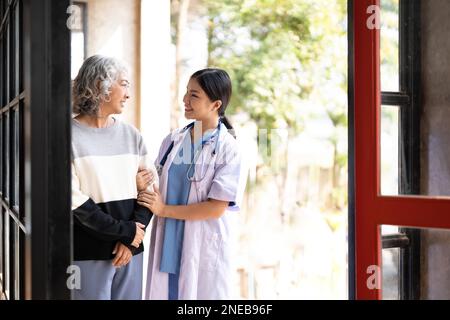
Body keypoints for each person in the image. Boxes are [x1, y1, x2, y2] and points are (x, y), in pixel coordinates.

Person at [137, 68, 245, 300]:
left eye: (194, 95)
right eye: (186, 92)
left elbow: (216, 208)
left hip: (201, 245)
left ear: (216, 104)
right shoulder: (173, 140)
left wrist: (164, 210)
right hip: (168, 242)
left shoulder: (228, 149)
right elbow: (155, 182)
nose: (185, 100)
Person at [71, 55, 158, 300]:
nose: (128, 93)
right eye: (124, 83)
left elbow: (150, 192)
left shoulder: (132, 135)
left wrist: (130, 241)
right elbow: (75, 204)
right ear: (102, 86)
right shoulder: (68, 138)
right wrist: (125, 232)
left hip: (130, 254)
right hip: (87, 254)